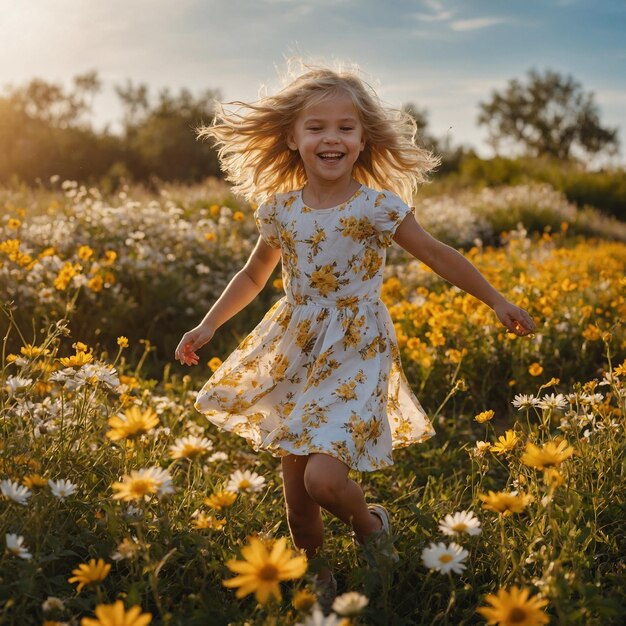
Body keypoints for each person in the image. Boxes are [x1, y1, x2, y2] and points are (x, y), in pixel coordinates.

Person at [174, 64, 536, 612]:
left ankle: (372, 527)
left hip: (355, 348)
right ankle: (321, 576)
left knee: (323, 477)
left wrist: (497, 299)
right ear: (292, 139)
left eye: (345, 127)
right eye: (316, 127)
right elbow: (253, 277)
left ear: (363, 139)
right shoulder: (280, 210)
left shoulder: (378, 206)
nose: (331, 138)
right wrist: (209, 324)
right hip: (294, 349)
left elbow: (438, 254)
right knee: (298, 506)